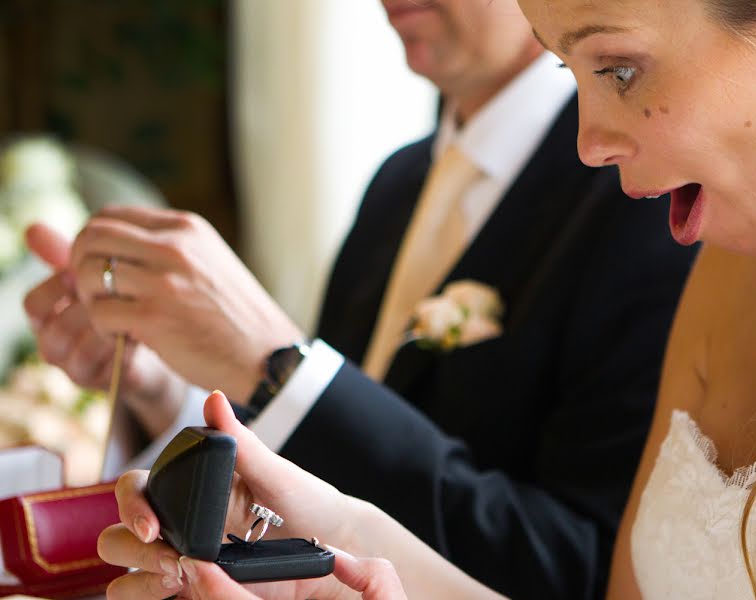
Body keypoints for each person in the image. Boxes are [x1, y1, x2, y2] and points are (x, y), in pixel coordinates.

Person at [98, 0, 756, 597]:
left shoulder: (666, 226)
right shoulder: (729, 269)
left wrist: (278, 369)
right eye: (572, 73)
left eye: (619, 69)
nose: (589, 140)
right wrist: (336, 545)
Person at [23, 1, 696, 598]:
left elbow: (582, 568)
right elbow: (312, 474)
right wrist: (157, 387)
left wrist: (277, 366)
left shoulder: (642, 193)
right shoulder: (397, 183)